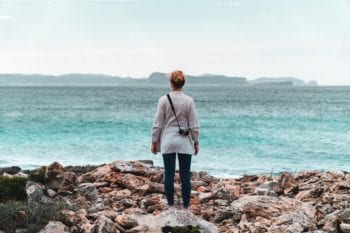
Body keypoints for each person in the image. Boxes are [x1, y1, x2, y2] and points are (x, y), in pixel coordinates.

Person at [151, 70, 199, 210]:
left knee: (169, 174)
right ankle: (185, 206)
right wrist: (196, 141)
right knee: (185, 175)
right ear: (183, 83)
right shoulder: (189, 100)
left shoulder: (163, 100)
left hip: (168, 141)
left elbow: (157, 123)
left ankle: (171, 205)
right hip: (184, 141)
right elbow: (194, 124)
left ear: (171, 82)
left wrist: (154, 141)